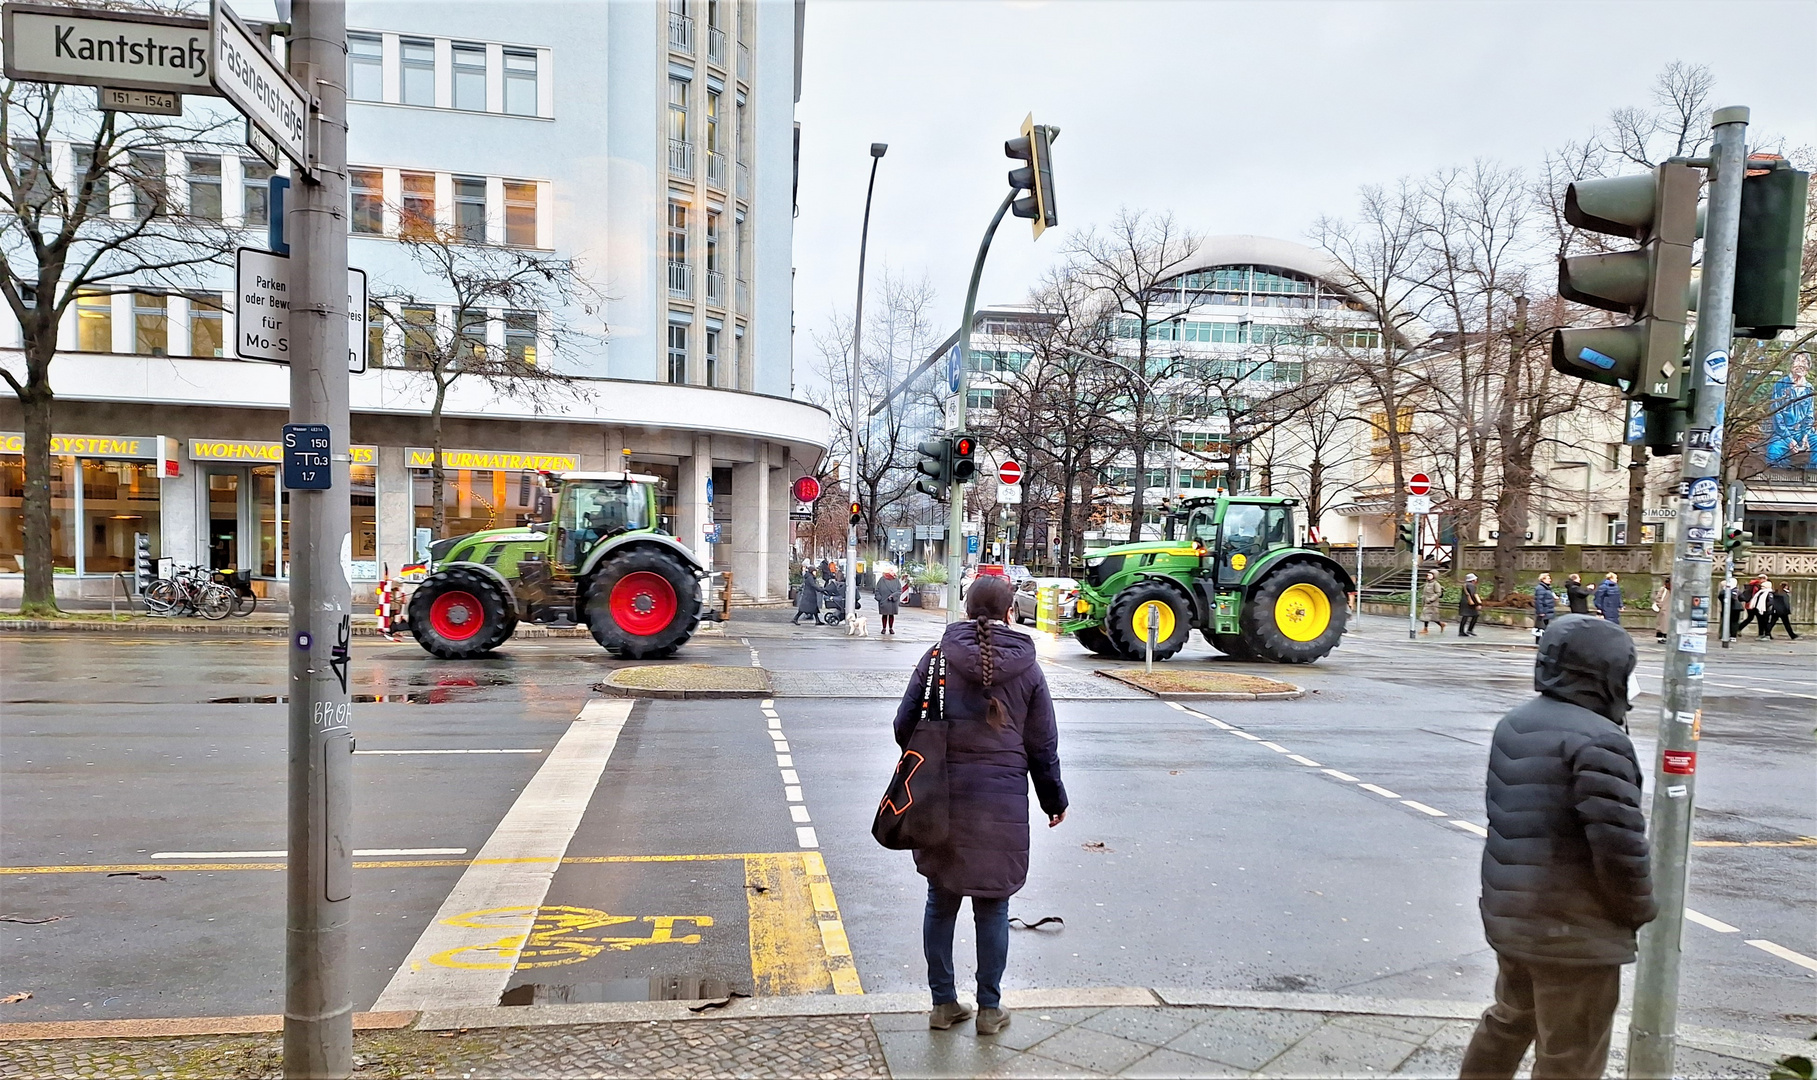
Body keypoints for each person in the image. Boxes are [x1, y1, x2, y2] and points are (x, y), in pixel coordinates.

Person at [1460, 615, 1657, 1080]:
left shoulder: (1517, 723)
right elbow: (1619, 847)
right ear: (1605, 673)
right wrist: (1639, 909)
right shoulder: (1601, 740)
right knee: (1571, 1055)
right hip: (1576, 929)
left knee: (1507, 1022)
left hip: (1515, 916)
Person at [893, 574, 1067, 1037]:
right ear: (1011, 611)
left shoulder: (936, 659)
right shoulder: (1028, 669)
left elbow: (904, 723)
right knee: (992, 906)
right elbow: (1042, 746)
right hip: (1001, 803)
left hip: (942, 797)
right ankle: (990, 1009)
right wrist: (1054, 800)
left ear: (967, 609)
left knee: (940, 899)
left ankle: (943, 1004)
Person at [874, 567, 902, 635]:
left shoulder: (896, 580)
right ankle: (884, 628)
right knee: (884, 615)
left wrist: (893, 596)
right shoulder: (882, 579)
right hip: (884, 600)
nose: (893, 572)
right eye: (891, 571)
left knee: (891, 615)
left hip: (893, 601)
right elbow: (877, 589)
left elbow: (899, 590)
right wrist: (879, 598)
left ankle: (891, 628)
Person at [1420, 570, 1446, 635]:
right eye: (1428, 575)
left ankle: (1425, 629)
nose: (1428, 577)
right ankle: (1441, 624)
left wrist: (1431, 599)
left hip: (1432, 603)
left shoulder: (1436, 584)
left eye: (1430, 575)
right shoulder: (1427, 583)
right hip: (1426, 602)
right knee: (1431, 616)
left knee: (1427, 615)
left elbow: (1438, 593)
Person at [1532, 573, 1557, 638]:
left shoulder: (1547, 588)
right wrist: (1540, 612)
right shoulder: (1541, 588)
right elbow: (1539, 601)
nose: (1550, 580)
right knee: (1541, 628)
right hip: (1544, 611)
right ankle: (1540, 642)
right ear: (1543, 579)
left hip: (1547, 610)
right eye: (1548, 578)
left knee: (1544, 628)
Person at [1652, 579, 1671, 644]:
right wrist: (1660, 605)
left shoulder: (1671, 590)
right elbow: (1658, 598)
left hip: (1668, 610)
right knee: (1662, 625)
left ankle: (1664, 637)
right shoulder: (1664, 590)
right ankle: (1661, 638)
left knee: (1665, 625)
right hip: (1664, 610)